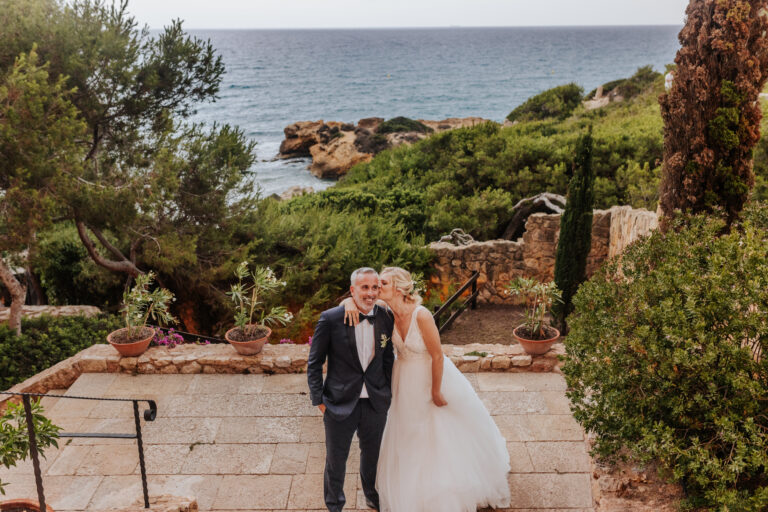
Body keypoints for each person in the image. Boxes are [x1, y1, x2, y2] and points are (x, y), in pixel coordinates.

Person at [344, 267, 511, 512]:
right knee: (406, 430)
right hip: (402, 379)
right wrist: (349, 301)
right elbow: (358, 298)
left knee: (436, 428)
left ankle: (441, 485)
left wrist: (435, 390)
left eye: (382, 283)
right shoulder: (385, 312)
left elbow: (437, 356)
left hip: (430, 374)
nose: (377, 289)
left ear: (399, 289)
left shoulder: (421, 315)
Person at [307, 267, 395, 512]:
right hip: (339, 401)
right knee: (336, 460)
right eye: (364, 287)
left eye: (374, 287)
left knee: (372, 455)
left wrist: (386, 392)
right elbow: (314, 362)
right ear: (353, 290)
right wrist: (319, 400)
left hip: (375, 402)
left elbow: (387, 358)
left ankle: (371, 495)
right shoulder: (331, 318)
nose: (370, 293)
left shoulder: (386, 316)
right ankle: (334, 504)